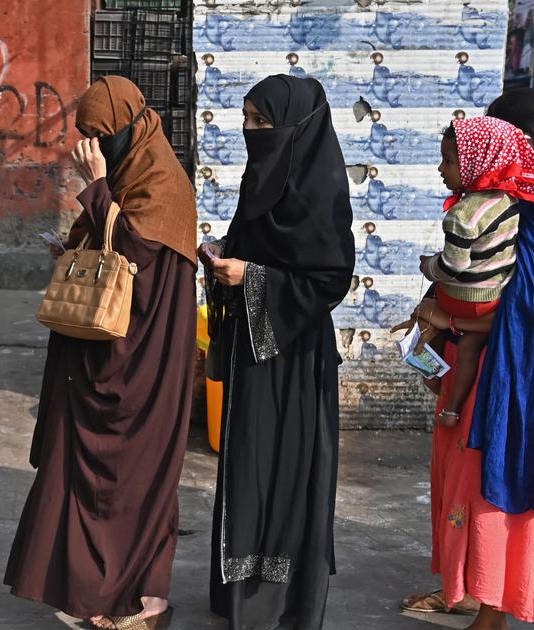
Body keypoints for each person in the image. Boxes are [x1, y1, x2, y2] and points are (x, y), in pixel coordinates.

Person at [401, 87, 534, 629]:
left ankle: (491, 611)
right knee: (477, 491)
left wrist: (451, 322)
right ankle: (476, 596)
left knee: (492, 492)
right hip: (503, 368)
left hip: (511, 378)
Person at [4, 76, 197, 630]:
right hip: (100, 353)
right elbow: (109, 242)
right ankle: (95, 588)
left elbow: (137, 251)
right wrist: (74, 245)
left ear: (130, 128)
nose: (91, 146)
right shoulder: (127, 174)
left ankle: (145, 598)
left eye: (100, 135)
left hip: (144, 361)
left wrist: (96, 186)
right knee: (87, 473)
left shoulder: (162, 182)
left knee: (136, 474)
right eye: (84, 134)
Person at [202, 74, 354, 630]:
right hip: (252, 350)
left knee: (284, 470)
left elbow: (329, 278)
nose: (250, 131)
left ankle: (279, 603)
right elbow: (256, 246)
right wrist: (225, 255)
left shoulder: (321, 193)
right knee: (246, 462)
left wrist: (250, 276)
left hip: (295, 356)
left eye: (261, 121)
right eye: (246, 119)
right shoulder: (260, 179)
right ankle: (239, 596)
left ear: (296, 127)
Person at [418, 116, 534, 427]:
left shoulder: (462, 215)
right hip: (493, 299)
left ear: (476, 163)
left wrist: (428, 266)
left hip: (462, 300)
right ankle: (452, 410)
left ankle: (429, 374)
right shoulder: (509, 200)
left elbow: (453, 266)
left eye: (448, 161)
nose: (441, 169)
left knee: (424, 318)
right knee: (469, 346)